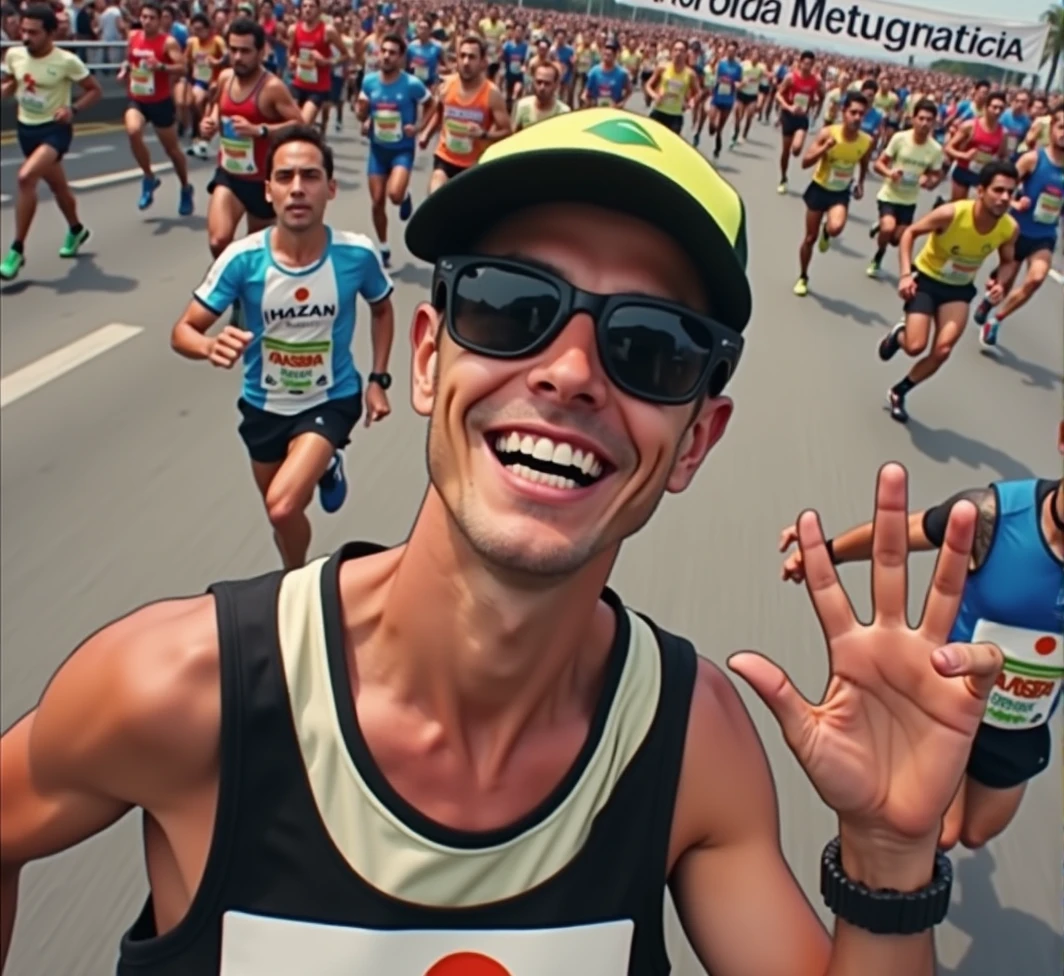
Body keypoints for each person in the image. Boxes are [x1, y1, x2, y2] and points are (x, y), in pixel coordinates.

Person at [1, 106, 1004, 976]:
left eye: (648, 347)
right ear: (432, 359)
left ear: (696, 436)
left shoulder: (691, 743)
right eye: (508, 306)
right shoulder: (183, 689)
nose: (569, 372)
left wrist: (882, 858)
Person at [779, 422, 1063, 853]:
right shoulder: (995, 514)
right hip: (944, 698)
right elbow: (900, 535)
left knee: (976, 832)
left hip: (1019, 721)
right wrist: (825, 551)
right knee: (942, 834)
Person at [170, 126, 395, 570]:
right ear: (268, 190)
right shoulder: (241, 259)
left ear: (330, 188)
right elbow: (183, 331)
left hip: (331, 399)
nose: (297, 189)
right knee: (281, 518)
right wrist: (208, 345)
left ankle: (299, 586)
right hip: (264, 406)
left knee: (282, 506)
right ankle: (297, 568)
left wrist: (377, 380)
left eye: (310, 176)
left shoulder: (357, 255)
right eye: (285, 177)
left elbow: (382, 309)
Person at [878, 160, 1018, 424]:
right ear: (981, 190)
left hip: (958, 290)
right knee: (915, 346)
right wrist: (906, 274)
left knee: (942, 351)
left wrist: (1001, 281)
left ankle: (899, 392)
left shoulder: (1008, 228)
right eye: (998, 190)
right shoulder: (952, 213)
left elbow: (1009, 261)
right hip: (926, 281)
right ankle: (899, 336)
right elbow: (910, 233)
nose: (1004, 198)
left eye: (1011, 193)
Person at [0, 4, 100, 282]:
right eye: (23, 30)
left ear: (50, 33)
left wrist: (73, 110)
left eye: (33, 32)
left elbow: (94, 91)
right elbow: (11, 83)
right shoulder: (15, 55)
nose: (26, 37)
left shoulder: (66, 61)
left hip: (55, 130)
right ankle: (76, 228)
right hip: (26, 129)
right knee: (57, 186)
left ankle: (16, 249)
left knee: (25, 178)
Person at [199, 18, 302, 263]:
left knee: (256, 253)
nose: (237, 57)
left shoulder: (272, 87)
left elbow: (299, 124)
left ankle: (246, 290)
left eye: (245, 51)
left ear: (260, 52)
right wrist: (210, 122)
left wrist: (260, 131)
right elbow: (217, 106)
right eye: (233, 50)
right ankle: (233, 286)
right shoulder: (225, 78)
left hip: (262, 181)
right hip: (230, 174)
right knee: (218, 241)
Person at [973, 107, 1064, 351]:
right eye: (1061, 127)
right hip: (1016, 232)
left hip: (1044, 235)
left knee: (1035, 279)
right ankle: (991, 294)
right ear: (1052, 129)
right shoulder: (1033, 159)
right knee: (1004, 284)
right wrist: (1014, 202)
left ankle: (996, 320)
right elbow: (1004, 187)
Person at [356, 31, 432, 267]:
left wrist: (418, 126)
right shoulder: (369, 81)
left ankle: (405, 195)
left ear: (401, 58)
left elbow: (432, 105)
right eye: (384, 51)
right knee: (377, 201)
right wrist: (365, 119)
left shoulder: (411, 84)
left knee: (394, 195)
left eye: (392, 53)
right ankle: (383, 246)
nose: (387, 56)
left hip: (402, 150)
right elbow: (361, 111)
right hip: (378, 150)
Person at [792, 91, 872, 298]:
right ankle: (803, 276)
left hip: (840, 193)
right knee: (809, 238)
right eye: (853, 112)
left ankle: (827, 232)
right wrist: (824, 149)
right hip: (819, 188)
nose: (857, 118)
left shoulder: (866, 141)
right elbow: (805, 162)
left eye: (861, 114)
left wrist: (861, 183)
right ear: (844, 113)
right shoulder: (828, 134)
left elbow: (863, 163)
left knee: (836, 228)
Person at [119, 0, 194, 215]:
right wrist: (125, 69)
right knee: (133, 131)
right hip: (137, 98)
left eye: (152, 18)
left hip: (160, 101)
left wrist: (160, 66)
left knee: (172, 151)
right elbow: (129, 60)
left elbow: (182, 68)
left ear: (160, 20)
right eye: (144, 17)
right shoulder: (133, 37)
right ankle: (149, 178)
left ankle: (185, 187)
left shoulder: (167, 42)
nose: (147, 22)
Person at [421, 34, 509, 195]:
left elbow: (506, 131)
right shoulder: (446, 86)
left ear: (483, 62)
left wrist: (483, 134)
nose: (466, 62)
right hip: (445, 157)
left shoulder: (492, 94)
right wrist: (426, 134)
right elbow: (440, 112)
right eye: (462, 56)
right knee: (435, 198)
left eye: (472, 57)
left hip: (474, 164)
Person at [867, 98, 945, 279]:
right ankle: (878, 257)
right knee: (888, 228)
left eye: (929, 120)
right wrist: (889, 173)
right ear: (913, 119)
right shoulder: (900, 138)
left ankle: (881, 229)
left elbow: (936, 177)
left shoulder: (935, 149)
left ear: (934, 122)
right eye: (921, 118)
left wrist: (929, 180)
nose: (925, 123)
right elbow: (878, 164)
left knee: (896, 239)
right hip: (889, 194)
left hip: (909, 200)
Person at [775, 50, 822, 194]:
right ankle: (783, 178)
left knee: (796, 150)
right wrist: (788, 106)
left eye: (810, 64)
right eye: (805, 63)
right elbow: (778, 94)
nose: (807, 66)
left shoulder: (816, 81)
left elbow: (820, 97)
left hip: (802, 118)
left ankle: (795, 149)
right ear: (800, 63)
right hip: (788, 116)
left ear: (813, 65)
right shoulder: (791, 77)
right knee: (786, 152)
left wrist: (815, 106)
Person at [512, 59, 568, 131]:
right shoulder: (522, 106)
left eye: (547, 83)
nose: (542, 88)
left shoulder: (563, 112)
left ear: (556, 85)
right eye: (539, 82)